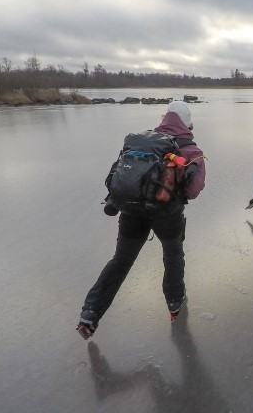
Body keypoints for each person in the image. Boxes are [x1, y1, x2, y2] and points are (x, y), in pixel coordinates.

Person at [77, 101, 206, 339]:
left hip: (131, 212)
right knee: (173, 255)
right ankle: (174, 303)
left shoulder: (142, 141)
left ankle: (90, 313)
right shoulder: (191, 150)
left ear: (164, 118)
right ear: (188, 123)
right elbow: (193, 191)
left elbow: (119, 175)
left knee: (121, 261)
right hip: (168, 216)